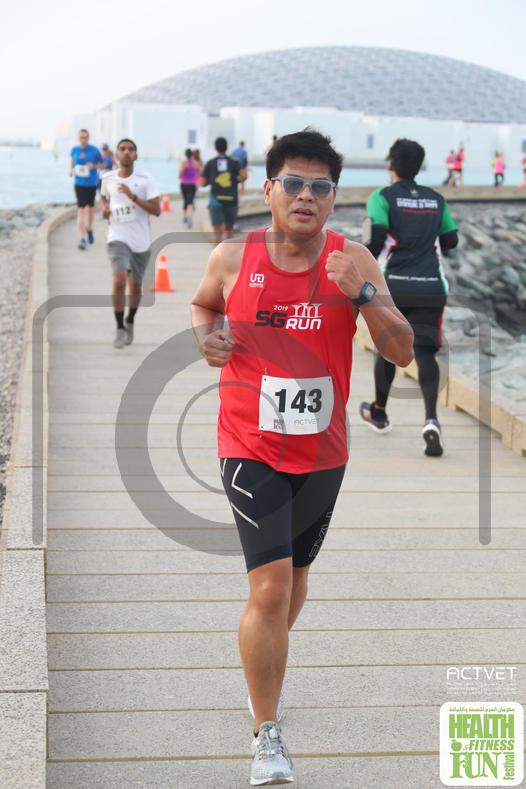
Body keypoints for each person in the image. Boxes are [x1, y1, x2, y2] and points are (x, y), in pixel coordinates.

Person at [190, 129, 413, 785]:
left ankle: (263, 662)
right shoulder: (232, 256)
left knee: (296, 578)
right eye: (293, 182)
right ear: (269, 190)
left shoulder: (354, 260)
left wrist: (363, 295)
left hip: (323, 452)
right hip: (248, 444)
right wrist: (208, 339)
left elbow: (403, 351)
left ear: (334, 197)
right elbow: (203, 305)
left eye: (320, 186)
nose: (305, 196)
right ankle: (267, 731)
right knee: (271, 585)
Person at [361, 137, 459, 457]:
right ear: (419, 166)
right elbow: (451, 240)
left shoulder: (382, 196)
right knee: (426, 352)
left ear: (391, 164)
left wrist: (362, 262)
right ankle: (431, 419)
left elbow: (376, 237)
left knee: (387, 349)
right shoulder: (436, 199)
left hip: (394, 286)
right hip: (431, 285)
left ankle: (379, 412)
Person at [100, 138, 161, 349]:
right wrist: (105, 210)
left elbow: (157, 210)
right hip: (117, 236)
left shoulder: (146, 179)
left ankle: (130, 320)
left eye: (131, 149)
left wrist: (133, 197)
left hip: (140, 241)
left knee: (135, 285)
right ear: (116, 154)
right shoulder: (107, 178)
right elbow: (104, 199)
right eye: (122, 149)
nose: (126, 152)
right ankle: (119, 328)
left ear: (136, 155)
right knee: (119, 280)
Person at [201, 137, 247, 244]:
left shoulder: (210, 163)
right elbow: (244, 176)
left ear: (215, 148)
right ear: (226, 147)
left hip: (215, 200)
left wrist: (212, 181)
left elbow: (202, 183)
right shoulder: (235, 162)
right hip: (231, 199)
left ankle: (217, 253)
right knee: (229, 230)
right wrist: (235, 181)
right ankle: (229, 253)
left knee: (217, 231)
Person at [69, 129, 103, 249]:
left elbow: (102, 165)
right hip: (79, 184)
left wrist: (94, 166)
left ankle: (89, 228)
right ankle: (83, 238)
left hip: (91, 184)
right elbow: (72, 160)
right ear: (78, 138)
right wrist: (71, 170)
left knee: (90, 209)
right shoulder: (74, 149)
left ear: (88, 138)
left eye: (85, 137)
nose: (83, 139)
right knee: (81, 210)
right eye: (81, 137)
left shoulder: (94, 150)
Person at [179, 148, 201, 228]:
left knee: (185, 201)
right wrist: (197, 185)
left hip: (184, 185)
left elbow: (179, 175)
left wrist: (184, 169)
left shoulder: (183, 163)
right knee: (190, 202)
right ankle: (189, 216)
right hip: (192, 185)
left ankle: (185, 216)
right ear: (192, 155)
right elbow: (199, 175)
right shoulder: (196, 163)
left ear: (185, 155)